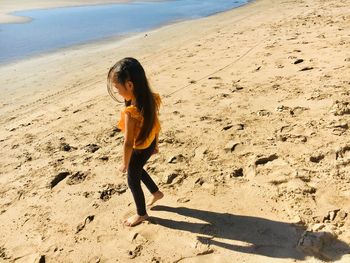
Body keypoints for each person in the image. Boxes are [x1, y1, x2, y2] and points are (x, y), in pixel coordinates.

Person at [107, 57, 164, 227]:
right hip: (150, 143)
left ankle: (141, 214)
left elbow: (128, 143)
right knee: (137, 168)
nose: (118, 93)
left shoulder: (131, 112)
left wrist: (124, 164)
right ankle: (156, 192)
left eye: (117, 89)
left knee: (132, 180)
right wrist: (156, 144)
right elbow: (156, 124)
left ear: (130, 85)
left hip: (140, 147)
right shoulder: (150, 99)